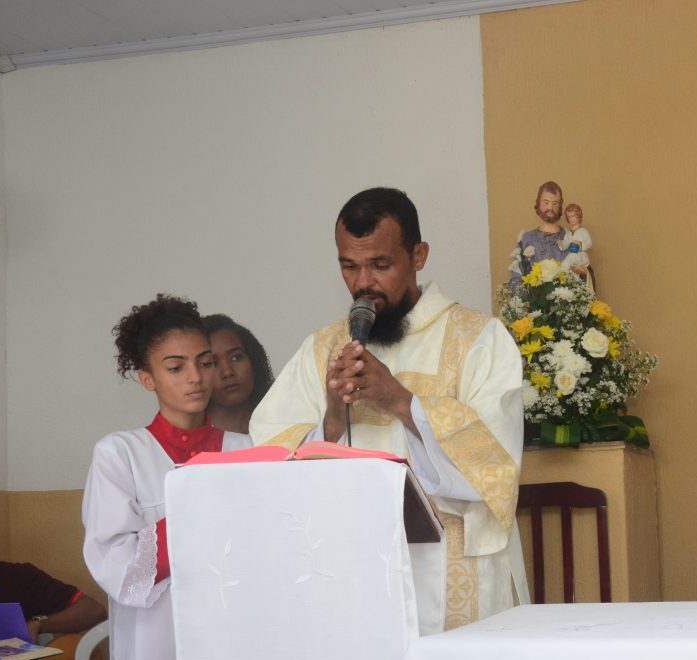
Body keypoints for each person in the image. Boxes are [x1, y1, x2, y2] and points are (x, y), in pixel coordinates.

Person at [251, 187, 529, 633]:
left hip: (453, 570)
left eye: (380, 265)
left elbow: (496, 464)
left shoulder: (479, 339)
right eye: (349, 266)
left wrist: (400, 401)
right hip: (352, 571)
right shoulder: (321, 348)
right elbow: (268, 456)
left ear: (418, 256)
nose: (364, 283)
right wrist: (334, 419)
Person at [82, 294, 252, 660]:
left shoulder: (247, 450)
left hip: (233, 637)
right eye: (175, 367)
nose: (196, 378)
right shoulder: (119, 454)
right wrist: (198, 513)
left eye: (204, 363)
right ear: (147, 378)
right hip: (156, 645)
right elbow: (114, 560)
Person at [202, 313, 274, 434]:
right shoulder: (189, 444)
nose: (228, 372)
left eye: (236, 358)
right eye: (213, 363)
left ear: (253, 362)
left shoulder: (284, 429)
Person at [508, 180, 572, 289]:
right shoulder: (527, 238)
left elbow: (579, 270)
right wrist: (527, 300)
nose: (550, 208)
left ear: (560, 205)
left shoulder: (569, 237)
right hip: (534, 301)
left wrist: (584, 271)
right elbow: (517, 276)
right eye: (546, 203)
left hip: (564, 300)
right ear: (539, 203)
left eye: (555, 203)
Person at [562, 202, 595, 290]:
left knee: (568, 261)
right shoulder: (568, 233)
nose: (572, 219)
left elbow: (589, 243)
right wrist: (561, 245)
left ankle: (561, 276)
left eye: (573, 216)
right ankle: (574, 287)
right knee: (572, 272)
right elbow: (566, 243)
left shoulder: (583, 230)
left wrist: (581, 245)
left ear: (578, 216)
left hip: (581, 256)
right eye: (569, 217)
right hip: (572, 255)